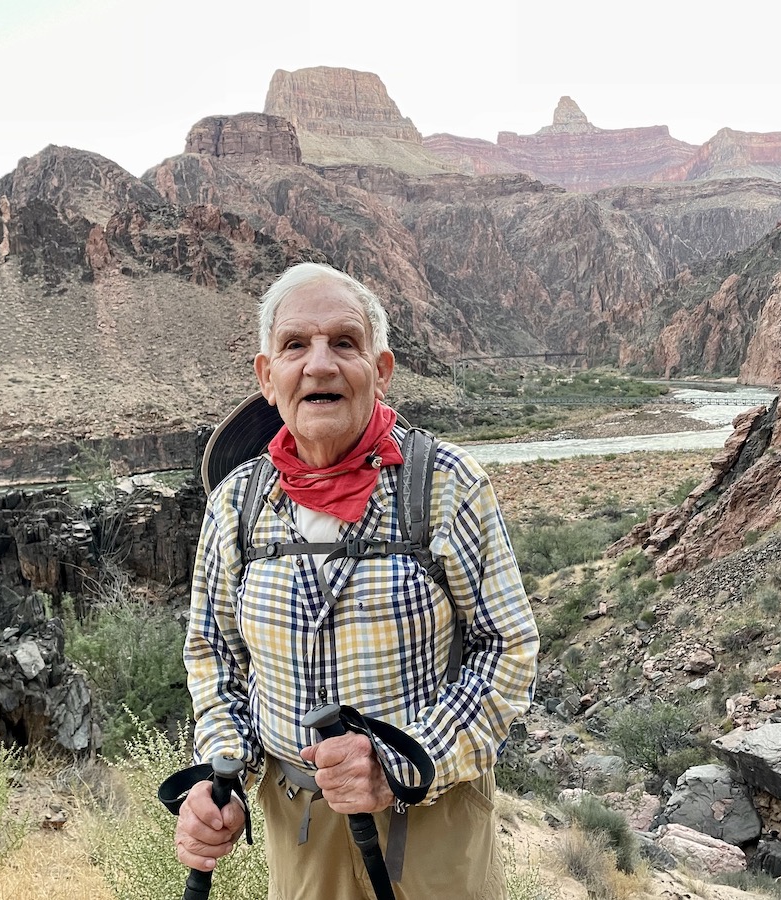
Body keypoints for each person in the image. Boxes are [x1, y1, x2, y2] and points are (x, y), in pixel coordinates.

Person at [174, 261, 539, 899]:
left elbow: (506, 647)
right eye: (295, 346)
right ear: (268, 377)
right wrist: (220, 774)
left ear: (382, 369)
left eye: (344, 343)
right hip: (298, 819)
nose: (319, 365)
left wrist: (399, 764)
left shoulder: (447, 485)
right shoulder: (237, 505)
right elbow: (215, 659)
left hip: (431, 818)